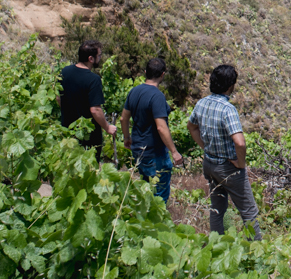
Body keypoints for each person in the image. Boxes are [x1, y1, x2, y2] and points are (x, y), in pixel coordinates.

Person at [187, 64, 261, 239]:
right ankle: (257, 254)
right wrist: (240, 164)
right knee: (249, 211)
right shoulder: (228, 110)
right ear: (231, 85)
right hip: (228, 167)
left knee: (217, 208)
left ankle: (216, 246)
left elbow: (191, 126)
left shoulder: (202, 103)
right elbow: (240, 143)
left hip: (209, 164)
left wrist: (205, 147)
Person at [120, 57, 185, 202]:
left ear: (145, 72)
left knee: (145, 193)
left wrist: (126, 138)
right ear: (163, 74)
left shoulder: (134, 91)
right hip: (155, 152)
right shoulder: (157, 97)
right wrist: (174, 152)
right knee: (159, 198)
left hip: (138, 149)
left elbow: (123, 119)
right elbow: (161, 128)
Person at [58, 40, 116, 158]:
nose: (100, 58)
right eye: (99, 55)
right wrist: (107, 127)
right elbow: (95, 110)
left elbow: (58, 98)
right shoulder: (93, 79)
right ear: (91, 58)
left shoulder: (65, 71)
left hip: (67, 131)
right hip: (88, 136)